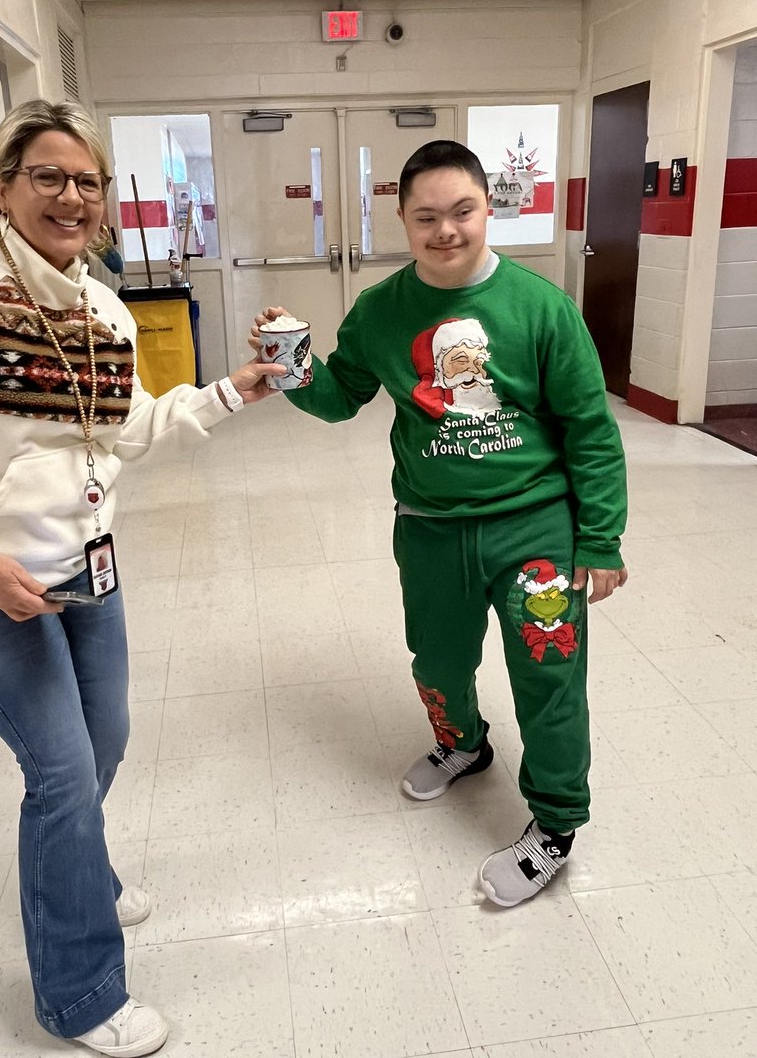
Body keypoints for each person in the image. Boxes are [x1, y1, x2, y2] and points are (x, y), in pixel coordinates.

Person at [0, 99, 284, 1056]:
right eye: (48, 175)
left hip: (82, 564)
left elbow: (123, 429)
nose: (72, 196)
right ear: (3, 185)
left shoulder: (96, 302)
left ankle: (76, 867)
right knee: (59, 773)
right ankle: (79, 994)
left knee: (107, 738)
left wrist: (228, 391)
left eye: (87, 179)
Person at [251, 139, 627, 908]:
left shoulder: (542, 307)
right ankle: (463, 743)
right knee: (437, 662)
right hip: (429, 529)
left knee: (550, 677)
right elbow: (337, 397)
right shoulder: (383, 311)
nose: (446, 229)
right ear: (402, 220)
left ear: (488, 208)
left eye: (461, 211)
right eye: (426, 216)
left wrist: (602, 538)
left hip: (537, 534)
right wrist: (290, 362)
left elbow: (591, 428)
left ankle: (555, 826)